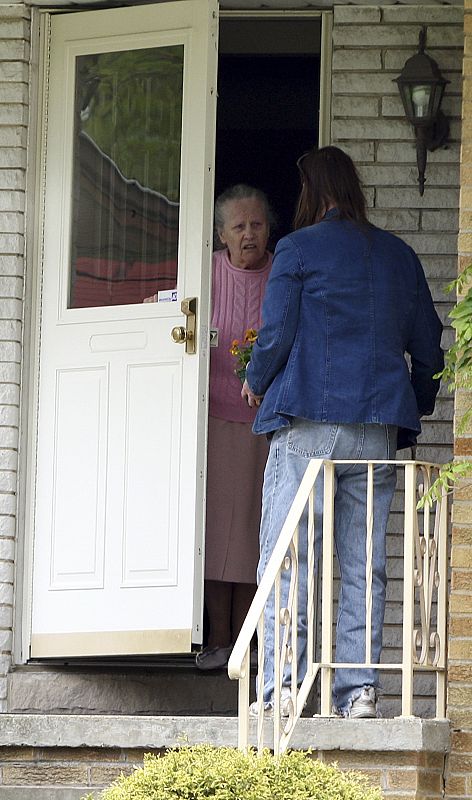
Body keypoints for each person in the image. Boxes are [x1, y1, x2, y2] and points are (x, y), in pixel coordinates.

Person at [242, 146, 444, 718]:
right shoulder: (400, 256)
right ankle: (359, 692)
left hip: (310, 425)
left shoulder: (297, 249)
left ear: (310, 192)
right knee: (363, 562)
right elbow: (430, 350)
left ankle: (283, 688)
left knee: (290, 557)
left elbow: (276, 332)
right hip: (377, 432)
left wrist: (256, 381)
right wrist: (414, 406)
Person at [195, 184, 274, 670]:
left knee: (250, 533)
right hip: (212, 420)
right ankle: (215, 639)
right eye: (239, 226)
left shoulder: (282, 275)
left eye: (258, 224)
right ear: (222, 233)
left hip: (262, 425)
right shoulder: (203, 272)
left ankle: (245, 644)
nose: (249, 234)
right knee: (210, 532)